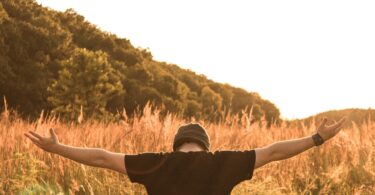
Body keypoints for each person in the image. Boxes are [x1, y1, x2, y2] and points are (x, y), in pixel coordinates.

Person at [25, 117, 346, 195]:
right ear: (204, 145)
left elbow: (102, 157)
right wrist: (317, 137)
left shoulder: (154, 163)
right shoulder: (223, 162)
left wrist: (57, 148)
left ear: (177, 143)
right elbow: (275, 151)